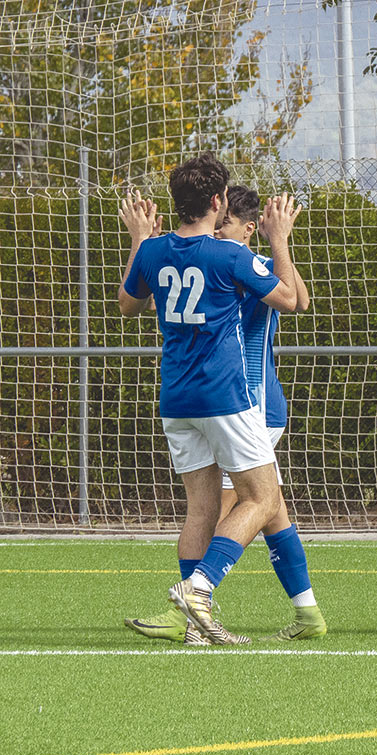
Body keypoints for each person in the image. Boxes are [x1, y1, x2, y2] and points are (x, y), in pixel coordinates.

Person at [123, 184, 326, 644]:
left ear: (248, 229)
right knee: (266, 509)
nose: (218, 228)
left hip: (250, 404)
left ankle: (196, 594)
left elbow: (298, 300)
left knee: (254, 503)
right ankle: (305, 613)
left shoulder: (243, 263)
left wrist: (280, 243)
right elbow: (158, 300)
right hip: (225, 403)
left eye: (228, 224)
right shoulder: (223, 259)